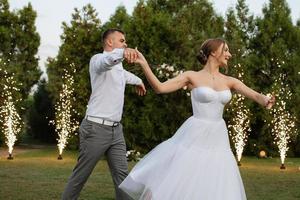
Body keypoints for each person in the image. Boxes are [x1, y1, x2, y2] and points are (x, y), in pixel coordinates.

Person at [119, 38, 275, 200]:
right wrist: (144, 63)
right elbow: (160, 88)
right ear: (213, 52)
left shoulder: (230, 81)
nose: (229, 54)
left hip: (218, 138)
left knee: (216, 178)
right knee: (186, 177)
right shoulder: (191, 76)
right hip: (195, 134)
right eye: (226, 50)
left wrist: (266, 100)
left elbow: (257, 96)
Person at [62, 28, 146, 200]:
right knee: (81, 176)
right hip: (96, 129)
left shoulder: (119, 69)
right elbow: (108, 61)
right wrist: (123, 52)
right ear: (110, 42)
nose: (126, 44)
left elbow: (124, 75)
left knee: (122, 177)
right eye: (122, 41)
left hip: (116, 132)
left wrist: (139, 81)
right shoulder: (98, 60)